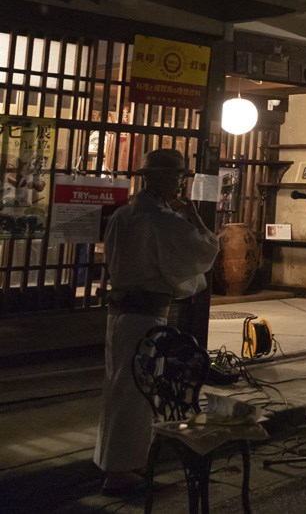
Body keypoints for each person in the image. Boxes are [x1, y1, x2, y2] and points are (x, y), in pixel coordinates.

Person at [94, 148, 220, 496]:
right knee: (137, 393)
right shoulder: (163, 220)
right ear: (162, 178)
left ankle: (115, 465)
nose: (181, 183)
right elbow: (205, 251)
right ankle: (120, 472)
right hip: (144, 315)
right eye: (178, 176)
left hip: (120, 313)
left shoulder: (124, 215)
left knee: (119, 387)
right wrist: (194, 216)